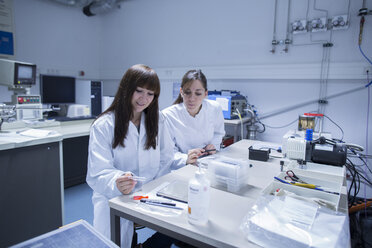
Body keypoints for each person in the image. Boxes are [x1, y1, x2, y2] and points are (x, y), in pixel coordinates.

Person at [86, 64, 174, 248]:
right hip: (113, 196)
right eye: (139, 91)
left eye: (150, 94)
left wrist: (155, 187)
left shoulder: (158, 119)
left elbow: (166, 157)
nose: (144, 98)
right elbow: (97, 174)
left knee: (175, 227)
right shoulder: (104, 125)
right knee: (112, 242)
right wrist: (117, 182)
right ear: (127, 89)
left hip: (150, 193)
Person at [162, 69, 225, 169]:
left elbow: (218, 133)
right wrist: (185, 158)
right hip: (182, 168)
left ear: (205, 93)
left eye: (198, 93)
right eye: (187, 92)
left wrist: (213, 146)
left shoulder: (214, 108)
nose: (192, 98)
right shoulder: (168, 115)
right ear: (181, 92)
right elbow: (167, 153)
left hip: (208, 161)